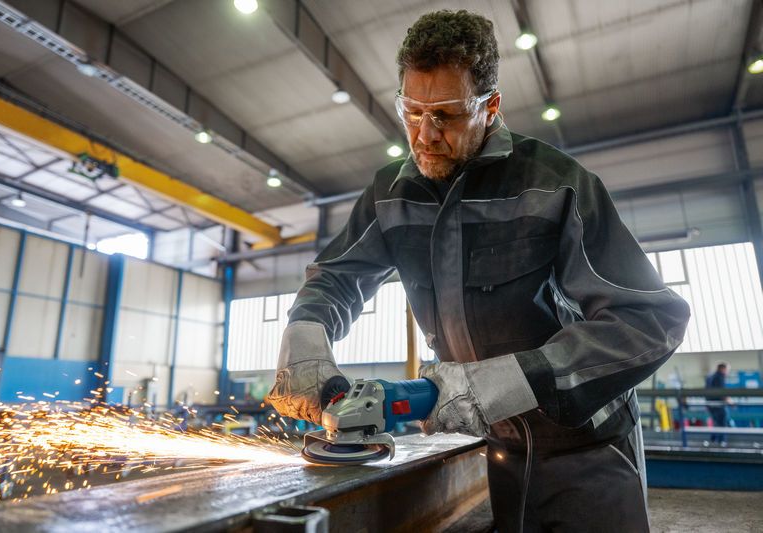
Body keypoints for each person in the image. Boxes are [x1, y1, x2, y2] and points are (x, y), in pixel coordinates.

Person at [268, 10, 690, 533]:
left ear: (490, 107)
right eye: (412, 111)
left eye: (445, 114)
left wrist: (503, 383)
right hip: (491, 452)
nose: (425, 134)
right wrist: (306, 340)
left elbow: (648, 321)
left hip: (587, 454)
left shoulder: (557, 185)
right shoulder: (389, 194)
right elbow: (335, 278)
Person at [706, 362, 733, 445]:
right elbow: (722, 392)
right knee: (721, 424)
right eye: (727, 370)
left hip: (711, 405)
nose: (727, 372)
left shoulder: (710, 377)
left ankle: (713, 440)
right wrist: (730, 401)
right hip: (718, 405)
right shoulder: (720, 377)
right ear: (722, 369)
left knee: (716, 423)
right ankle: (721, 442)